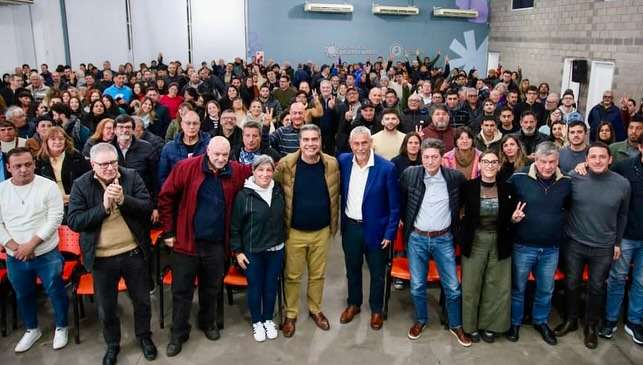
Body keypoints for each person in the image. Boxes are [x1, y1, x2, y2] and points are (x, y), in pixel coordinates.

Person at [158, 137, 251, 356]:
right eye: (216, 154)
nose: (220, 159)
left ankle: (208, 322)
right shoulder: (186, 167)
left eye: (225, 155)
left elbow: (260, 169)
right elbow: (165, 198)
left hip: (217, 244)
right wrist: (169, 231)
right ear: (207, 150)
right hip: (186, 242)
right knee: (181, 291)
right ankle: (178, 332)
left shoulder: (235, 171)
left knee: (212, 288)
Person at [67, 143, 157, 364]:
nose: (109, 168)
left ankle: (144, 337)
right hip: (101, 258)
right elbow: (75, 221)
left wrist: (124, 200)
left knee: (142, 302)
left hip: (133, 253)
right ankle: (112, 345)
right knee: (107, 309)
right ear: (92, 164)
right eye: (104, 164)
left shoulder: (132, 177)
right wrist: (104, 206)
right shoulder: (81, 185)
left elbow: (147, 208)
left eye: (113, 162)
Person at [555, 142, 630, 349]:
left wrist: (617, 242)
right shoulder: (574, 177)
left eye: (602, 157)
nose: (597, 160)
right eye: (593, 157)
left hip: (603, 246)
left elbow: (623, 215)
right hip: (574, 242)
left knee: (596, 288)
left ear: (610, 159)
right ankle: (570, 320)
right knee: (571, 283)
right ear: (586, 160)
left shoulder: (622, 184)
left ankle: (590, 326)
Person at [399, 138, 471, 347]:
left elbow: (463, 203)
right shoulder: (410, 175)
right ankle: (420, 320)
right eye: (426, 157)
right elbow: (401, 199)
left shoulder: (454, 178)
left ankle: (456, 325)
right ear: (421, 157)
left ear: (442, 158)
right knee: (417, 286)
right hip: (417, 238)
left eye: (434, 157)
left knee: (452, 287)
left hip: (444, 239)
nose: (430, 161)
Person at [273, 124, 339, 337]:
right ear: (299, 142)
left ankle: (315, 309)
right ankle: (291, 313)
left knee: (318, 275)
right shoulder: (286, 165)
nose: (311, 144)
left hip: (321, 231)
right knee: (292, 276)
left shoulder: (331, 164)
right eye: (306, 140)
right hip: (294, 232)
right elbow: (272, 191)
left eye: (314, 139)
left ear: (320, 141)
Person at [0, 147, 67, 353]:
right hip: (15, 255)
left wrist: (31, 244)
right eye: (18, 166)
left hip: (46, 253)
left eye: (28, 164)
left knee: (55, 290)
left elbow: (55, 218)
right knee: (23, 294)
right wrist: (15, 247)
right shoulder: (1, 190)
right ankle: (31, 329)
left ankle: (61, 326)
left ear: (34, 164)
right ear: (9, 167)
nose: (23, 169)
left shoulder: (47, 186)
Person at [505, 142, 571, 346]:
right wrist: (511, 218)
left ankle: (541, 321)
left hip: (551, 248)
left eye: (552, 162)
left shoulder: (567, 182)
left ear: (558, 162)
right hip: (523, 245)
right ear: (535, 159)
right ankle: (514, 323)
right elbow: (504, 205)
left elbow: (569, 208)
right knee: (518, 288)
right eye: (543, 162)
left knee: (545, 289)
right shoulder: (518, 178)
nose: (547, 167)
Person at [337, 126, 400, 330]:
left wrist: (390, 233)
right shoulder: (344, 162)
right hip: (351, 228)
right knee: (352, 270)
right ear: (350, 145)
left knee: (377, 273)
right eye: (357, 143)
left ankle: (376, 309)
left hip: (377, 231)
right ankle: (354, 304)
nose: (361, 147)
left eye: (365, 143)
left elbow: (394, 206)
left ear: (371, 143)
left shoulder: (386, 168)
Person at [230, 155, 285, 342]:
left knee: (271, 286)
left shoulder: (278, 191)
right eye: (260, 170)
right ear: (253, 171)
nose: (265, 174)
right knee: (255, 287)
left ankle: (268, 319)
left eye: (269, 170)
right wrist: (238, 251)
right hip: (253, 252)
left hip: (276, 249)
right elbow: (235, 227)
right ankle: (257, 322)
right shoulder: (244, 195)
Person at [460, 150, 512, 343]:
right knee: (471, 285)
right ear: (479, 165)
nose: (490, 165)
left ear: (498, 166)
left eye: (494, 162)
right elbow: (456, 212)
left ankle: (490, 326)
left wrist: (513, 220)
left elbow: (511, 217)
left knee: (496, 285)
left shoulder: (508, 188)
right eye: (486, 162)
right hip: (475, 241)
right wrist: (461, 235)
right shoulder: (468, 187)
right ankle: (470, 326)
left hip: (499, 240)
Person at [599, 135, 643, 344]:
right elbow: (601, 176)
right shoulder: (624, 167)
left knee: (642, 282)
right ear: (640, 147)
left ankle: (634, 321)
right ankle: (610, 319)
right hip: (626, 235)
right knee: (617, 278)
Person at [35, 126, 90, 221]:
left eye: (61, 139)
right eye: (53, 139)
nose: (57, 142)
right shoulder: (38, 160)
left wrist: (73, 197)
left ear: (65, 140)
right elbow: (37, 186)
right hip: (49, 205)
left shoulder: (76, 157)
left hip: (75, 202)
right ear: (46, 141)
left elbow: (87, 180)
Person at [158, 110, 210, 186]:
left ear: (199, 125)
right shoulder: (169, 148)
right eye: (188, 123)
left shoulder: (209, 146)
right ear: (182, 125)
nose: (191, 127)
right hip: (177, 192)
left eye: (195, 123)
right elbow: (162, 176)